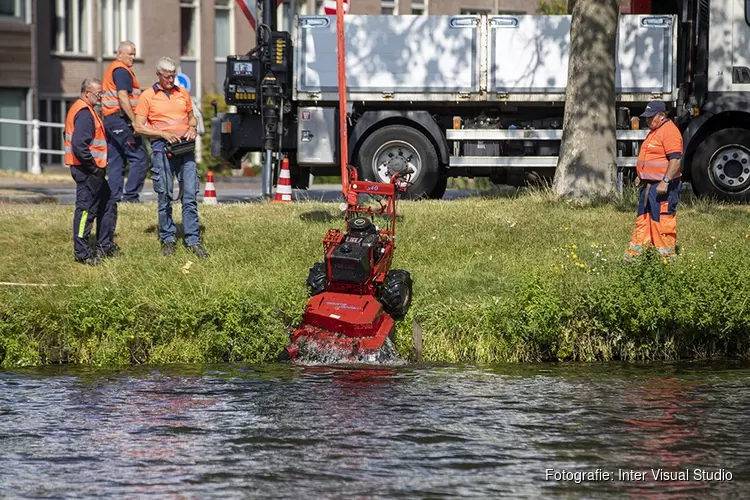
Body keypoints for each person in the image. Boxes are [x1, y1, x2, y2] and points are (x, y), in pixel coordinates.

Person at [134, 56, 208, 258]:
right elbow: (138, 126)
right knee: (165, 196)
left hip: (185, 150)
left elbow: (191, 116)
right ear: (158, 75)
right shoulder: (147, 96)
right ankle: (168, 239)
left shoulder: (182, 92)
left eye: (173, 76)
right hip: (162, 150)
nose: (170, 80)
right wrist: (163, 134)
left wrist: (192, 127)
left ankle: (193, 240)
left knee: (190, 195)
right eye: (167, 76)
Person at [63, 78, 119, 265]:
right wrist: (93, 167)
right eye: (99, 94)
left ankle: (105, 245)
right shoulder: (84, 114)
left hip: (92, 170)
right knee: (86, 210)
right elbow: (79, 145)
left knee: (108, 203)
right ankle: (82, 253)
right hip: (87, 170)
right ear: (87, 93)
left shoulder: (85, 110)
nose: (101, 97)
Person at [623, 100, 684, 264]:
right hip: (648, 186)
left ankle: (667, 260)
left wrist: (665, 181)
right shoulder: (655, 131)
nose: (648, 121)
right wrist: (640, 175)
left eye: (651, 117)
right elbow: (651, 157)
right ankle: (634, 258)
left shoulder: (670, 132)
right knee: (643, 220)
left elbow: (675, 160)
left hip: (663, 187)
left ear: (662, 116)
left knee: (662, 221)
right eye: (647, 118)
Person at [101, 40, 149, 203]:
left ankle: (113, 199)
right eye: (130, 54)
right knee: (139, 157)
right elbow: (123, 97)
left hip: (110, 120)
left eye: (134, 54)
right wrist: (135, 122)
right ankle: (131, 198)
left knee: (117, 159)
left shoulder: (113, 69)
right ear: (119, 54)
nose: (133, 57)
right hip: (121, 120)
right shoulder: (121, 70)